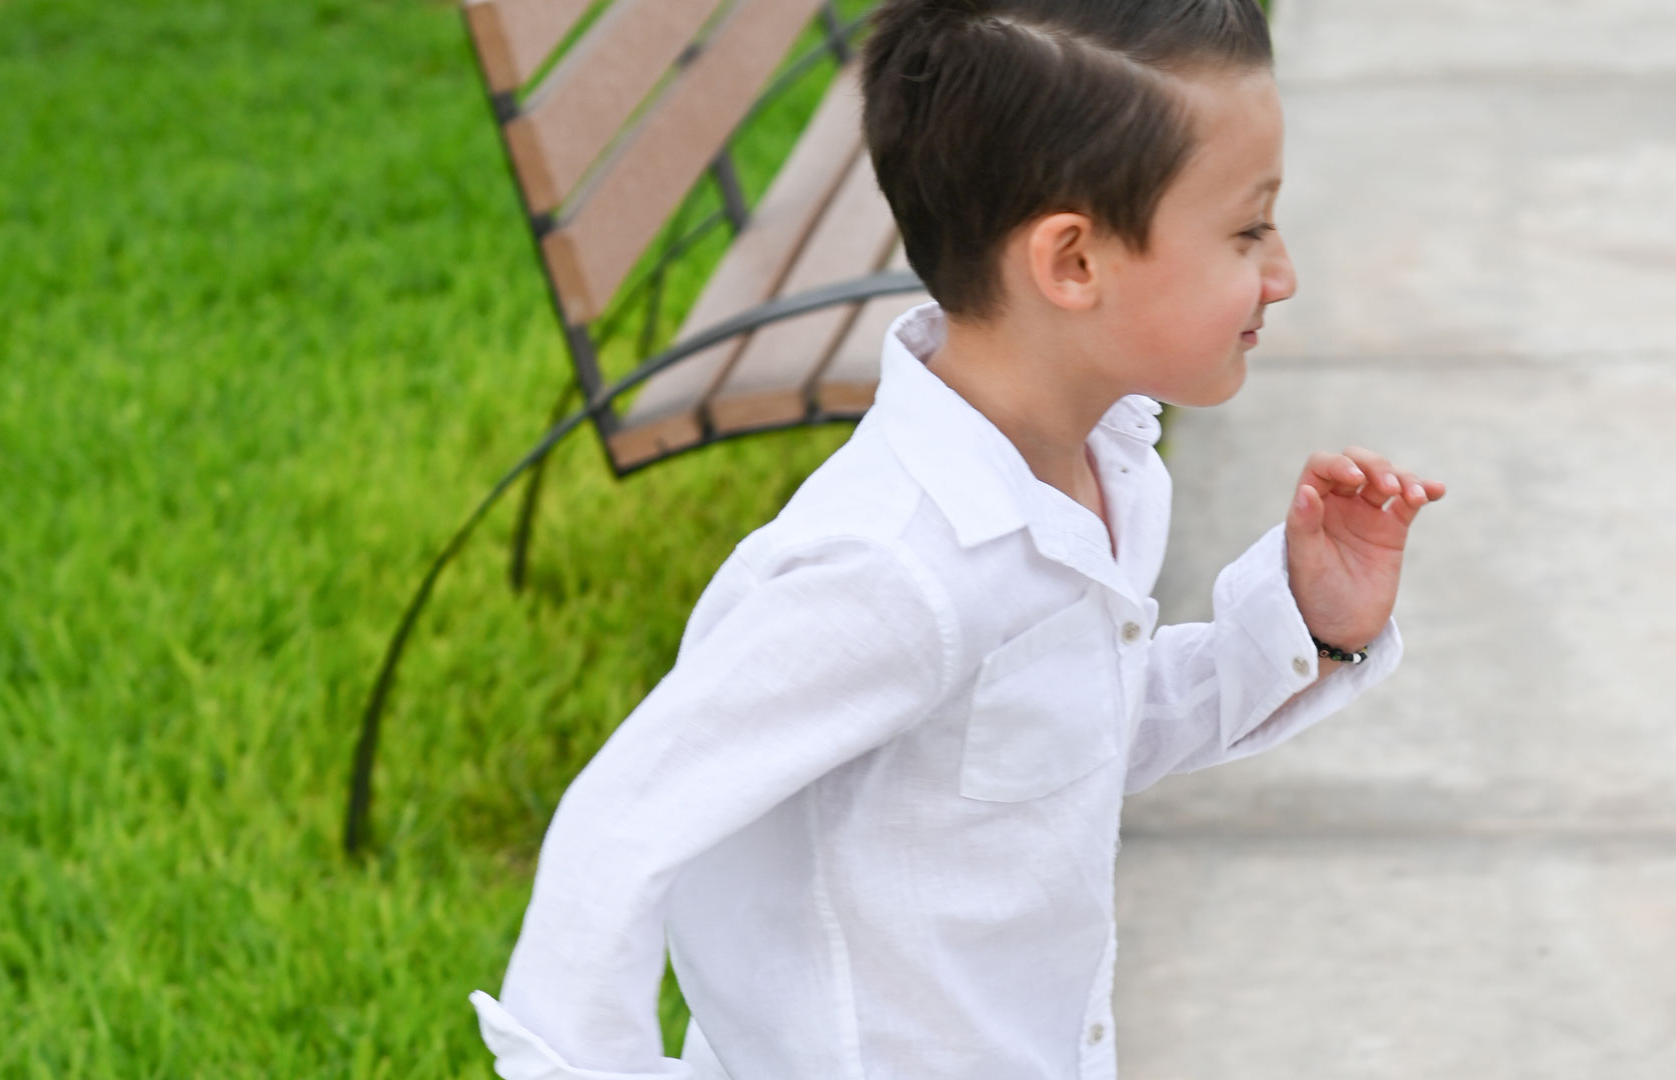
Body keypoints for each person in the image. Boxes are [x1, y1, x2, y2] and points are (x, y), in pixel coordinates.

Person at [470, 0, 1446, 1076]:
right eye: (1247, 229)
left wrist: (1306, 626)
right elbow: (621, 832)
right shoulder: (887, 570)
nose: (1283, 272)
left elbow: (1068, 739)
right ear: (1073, 262)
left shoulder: (1098, 469)